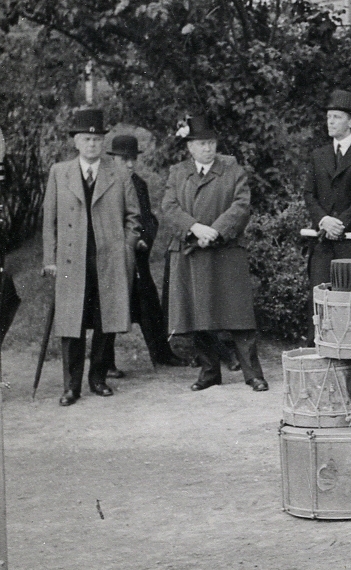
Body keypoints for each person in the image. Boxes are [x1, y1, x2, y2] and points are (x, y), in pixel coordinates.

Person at [163, 115, 267, 393]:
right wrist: (194, 228)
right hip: (190, 251)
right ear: (190, 147)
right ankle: (209, 371)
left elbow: (241, 205)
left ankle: (252, 373)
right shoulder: (178, 172)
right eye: (201, 144)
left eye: (210, 143)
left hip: (225, 251)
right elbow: (170, 208)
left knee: (239, 315)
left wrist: (216, 231)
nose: (207, 148)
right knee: (199, 315)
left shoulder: (232, 168)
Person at [42, 108, 139, 406]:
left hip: (107, 259)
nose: (92, 144)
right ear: (76, 142)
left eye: (97, 139)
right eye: (86, 139)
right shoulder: (60, 173)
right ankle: (71, 386)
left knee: (104, 320)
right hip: (73, 260)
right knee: (72, 324)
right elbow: (49, 220)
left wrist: (125, 248)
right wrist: (50, 258)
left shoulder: (119, 173)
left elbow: (134, 217)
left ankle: (98, 378)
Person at [104, 134, 187, 373]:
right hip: (112, 257)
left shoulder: (139, 184)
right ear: (114, 159)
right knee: (111, 308)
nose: (130, 165)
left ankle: (163, 353)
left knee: (149, 304)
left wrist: (144, 240)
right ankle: (105, 363)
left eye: (133, 160)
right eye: (124, 160)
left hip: (137, 258)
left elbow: (148, 220)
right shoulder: (105, 183)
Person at [302, 90, 351, 336]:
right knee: (320, 300)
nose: (331, 122)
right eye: (329, 117)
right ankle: (320, 351)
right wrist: (324, 221)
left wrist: (341, 222)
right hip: (324, 241)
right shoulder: (318, 155)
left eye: (336, 117)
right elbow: (309, 193)